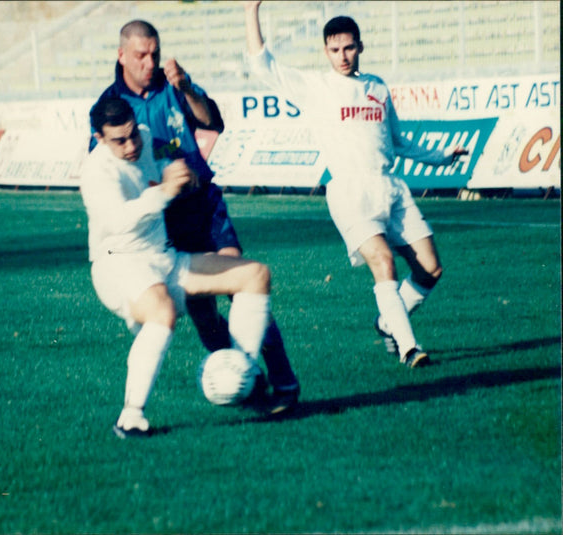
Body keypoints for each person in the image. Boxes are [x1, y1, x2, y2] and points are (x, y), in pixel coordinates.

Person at [243, 2, 468, 367]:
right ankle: (409, 347)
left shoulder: (377, 87)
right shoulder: (315, 86)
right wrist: (251, 9)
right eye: (334, 49)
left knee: (430, 268)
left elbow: (398, 141)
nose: (342, 56)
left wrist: (442, 156)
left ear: (360, 46)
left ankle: (387, 323)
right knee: (382, 261)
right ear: (325, 51)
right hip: (349, 192)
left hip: (391, 188)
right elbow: (261, 63)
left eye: (349, 47)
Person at [90, 20, 300, 412]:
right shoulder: (109, 110)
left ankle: (283, 382)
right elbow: (108, 171)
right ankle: (243, 386)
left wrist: (186, 87)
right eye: (140, 55)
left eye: (154, 52)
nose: (150, 61)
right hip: (163, 222)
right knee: (204, 312)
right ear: (121, 56)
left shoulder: (174, 83)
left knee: (241, 282)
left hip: (203, 207)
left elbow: (211, 121)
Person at [81, 98, 279, 438]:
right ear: (99, 138)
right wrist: (165, 191)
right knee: (163, 311)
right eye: (119, 140)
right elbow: (118, 221)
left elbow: (165, 155)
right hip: (117, 264)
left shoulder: (144, 138)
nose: (131, 145)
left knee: (255, 275)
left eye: (133, 135)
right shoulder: (95, 172)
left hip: (163, 258)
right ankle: (130, 416)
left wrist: (180, 170)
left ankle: (241, 372)